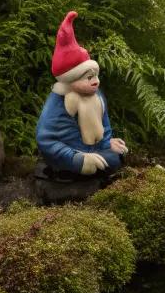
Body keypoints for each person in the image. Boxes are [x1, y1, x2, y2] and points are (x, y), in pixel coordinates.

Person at [35, 11, 127, 178]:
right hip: (69, 154)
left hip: (95, 150)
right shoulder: (58, 102)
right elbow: (45, 139)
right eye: (89, 78)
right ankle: (75, 169)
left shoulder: (96, 96)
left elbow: (104, 124)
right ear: (70, 79)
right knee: (93, 166)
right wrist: (76, 159)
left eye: (96, 76)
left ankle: (94, 163)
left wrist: (107, 143)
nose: (96, 82)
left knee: (115, 158)